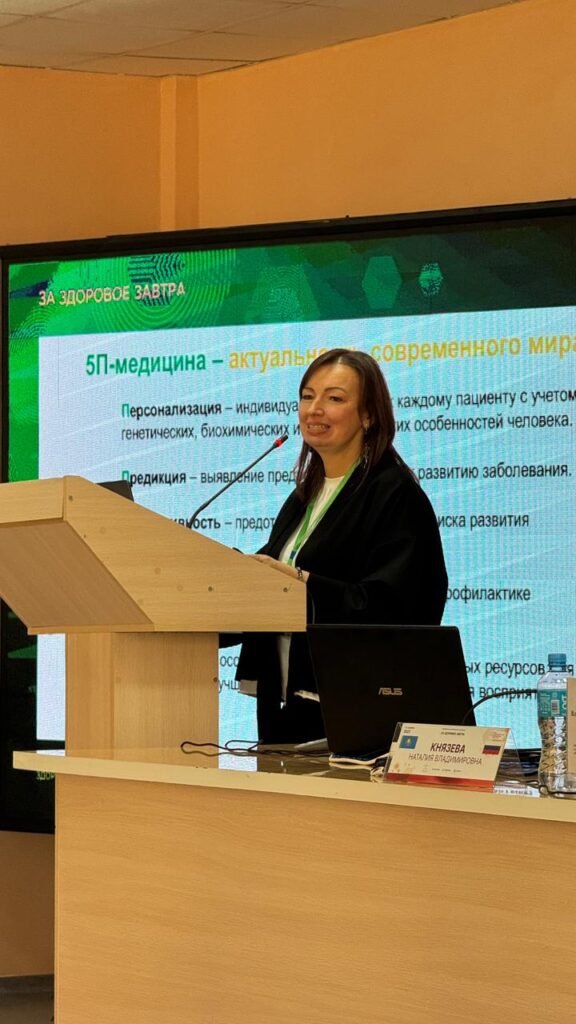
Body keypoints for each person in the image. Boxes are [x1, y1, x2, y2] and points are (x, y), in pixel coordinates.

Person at [235, 348, 448, 743]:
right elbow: (270, 582)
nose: (314, 409)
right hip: (286, 709)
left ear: (368, 415)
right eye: (307, 396)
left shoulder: (394, 493)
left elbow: (398, 607)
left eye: (334, 398)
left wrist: (304, 582)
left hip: (355, 709)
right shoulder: (304, 496)